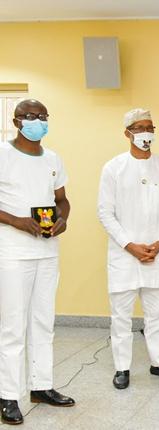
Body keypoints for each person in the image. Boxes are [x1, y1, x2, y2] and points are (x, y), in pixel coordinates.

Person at [0, 99, 74, 425]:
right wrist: (16, 221)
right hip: (13, 252)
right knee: (14, 328)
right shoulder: (3, 154)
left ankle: (41, 385)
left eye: (42, 116)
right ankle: (8, 395)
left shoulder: (53, 158)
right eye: (30, 116)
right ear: (16, 122)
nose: (37, 121)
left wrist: (63, 219)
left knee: (44, 321)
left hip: (47, 251)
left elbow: (62, 200)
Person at [97, 108, 159, 390]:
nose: (146, 133)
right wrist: (130, 246)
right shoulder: (113, 168)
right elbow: (105, 213)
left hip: (156, 254)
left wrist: (158, 244)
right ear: (127, 133)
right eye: (139, 127)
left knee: (156, 312)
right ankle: (122, 367)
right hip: (124, 254)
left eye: (150, 127)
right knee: (121, 315)